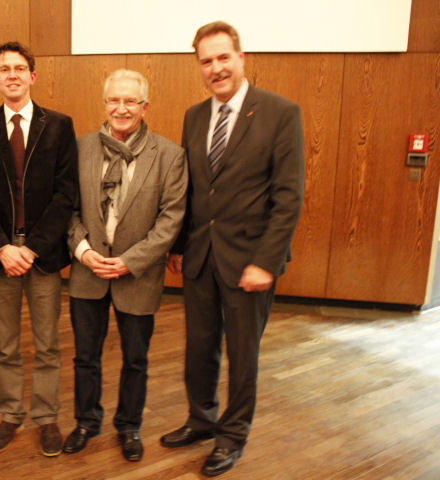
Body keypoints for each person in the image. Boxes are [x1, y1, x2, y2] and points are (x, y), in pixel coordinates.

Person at [160, 21, 304, 477]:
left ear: (241, 58)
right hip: (201, 257)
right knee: (199, 349)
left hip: (250, 262)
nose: (216, 68)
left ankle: (232, 435)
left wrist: (266, 261)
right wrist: (180, 246)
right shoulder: (194, 116)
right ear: (198, 67)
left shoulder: (281, 112)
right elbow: (191, 191)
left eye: (223, 57)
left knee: (243, 356)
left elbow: (289, 197)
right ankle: (201, 420)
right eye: (206, 61)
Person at [62, 69, 188, 462]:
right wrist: (83, 251)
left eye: (130, 101)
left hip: (138, 276)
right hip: (88, 271)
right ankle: (86, 421)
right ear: (104, 104)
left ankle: (129, 426)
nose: (121, 108)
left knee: (136, 359)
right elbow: (64, 207)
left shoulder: (169, 155)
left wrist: (129, 262)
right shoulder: (78, 148)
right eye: (114, 100)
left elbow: (171, 220)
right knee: (86, 356)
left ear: (144, 106)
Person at [0, 42, 78, 457]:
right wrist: (1, 248)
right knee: (6, 344)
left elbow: (66, 195)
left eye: (20, 68)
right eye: (4, 69)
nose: (12, 74)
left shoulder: (59, 125)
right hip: (0, 256)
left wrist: (32, 248)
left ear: (32, 76)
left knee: (47, 344)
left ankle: (46, 418)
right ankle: (11, 414)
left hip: (43, 254)